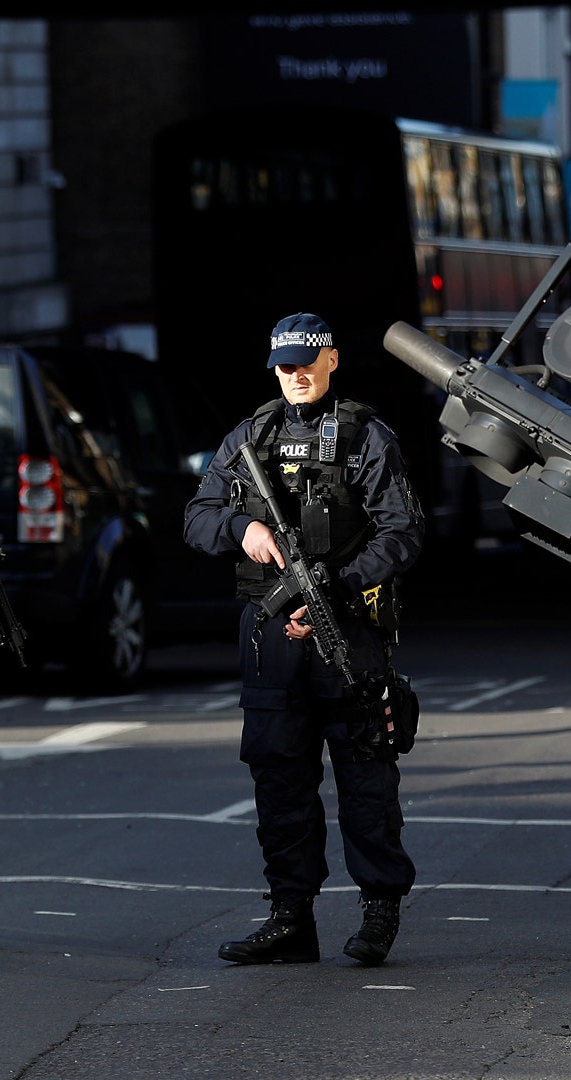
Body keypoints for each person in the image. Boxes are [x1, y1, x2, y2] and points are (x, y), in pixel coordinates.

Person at [185, 313, 424, 967]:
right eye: (283, 365)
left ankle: (378, 912)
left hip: (346, 626)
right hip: (271, 635)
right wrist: (241, 528)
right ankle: (291, 917)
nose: (294, 374)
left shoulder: (365, 436)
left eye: (304, 362)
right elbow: (197, 516)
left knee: (365, 776)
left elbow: (402, 531)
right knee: (279, 780)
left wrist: (338, 590)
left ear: (331, 361)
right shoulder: (252, 434)